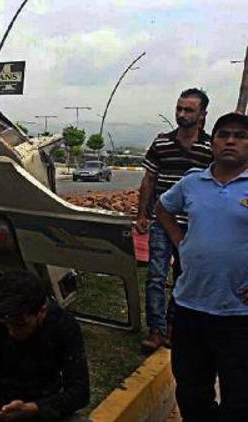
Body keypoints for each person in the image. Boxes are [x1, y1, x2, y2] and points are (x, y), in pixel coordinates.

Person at [155, 111, 248, 421]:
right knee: (192, 393)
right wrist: (180, 241)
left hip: (239, 314)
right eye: (224, 135)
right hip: (190, 307)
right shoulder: (192, 182)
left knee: (239, 399)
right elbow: (163, 208)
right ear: (213, 142)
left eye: (240, 135)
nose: (231, 141)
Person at [0, 271, 89, 421]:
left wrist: (33, 408)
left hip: (44, 405)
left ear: (41, 312)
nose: (12, 332)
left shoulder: (62, 325)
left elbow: (79, 391)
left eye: (20, 324)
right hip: (1, 407)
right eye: (6, 324)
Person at [135, 88, 212, 351]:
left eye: (188, 110)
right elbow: (149, 180)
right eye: (179, 108)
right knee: (156, 275)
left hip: (194, 226)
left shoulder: (210, 148)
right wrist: (142, 214)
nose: (181, 114)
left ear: (202, 114)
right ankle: (156, 330)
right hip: (160, 220)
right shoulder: (161, 143)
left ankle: (173, 325)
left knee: (184, 275)